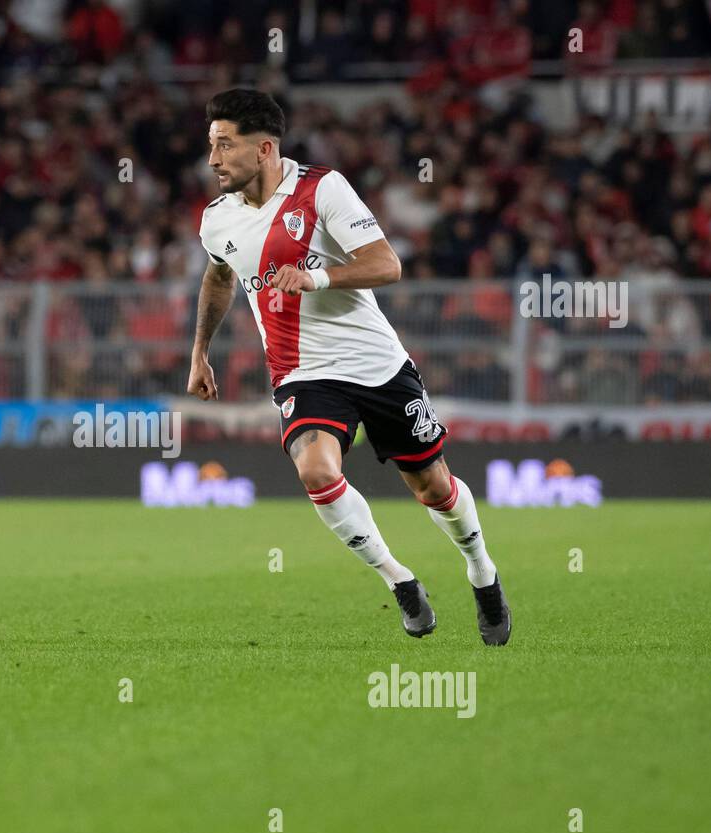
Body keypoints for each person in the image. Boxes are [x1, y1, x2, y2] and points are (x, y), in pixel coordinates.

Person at [188, 89, 511, 644]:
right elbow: (220, 276)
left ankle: (481, 570)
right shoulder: (216, 220)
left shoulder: (322, 189)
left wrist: (317, 276)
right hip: (302, 372)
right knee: (315, 469)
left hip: (378, 366)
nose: (213, 159)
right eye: (210, 145)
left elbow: (387, 264)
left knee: (433, 487)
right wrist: (200, 351)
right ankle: (399, 580)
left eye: (224, 145)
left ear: (264, 148)